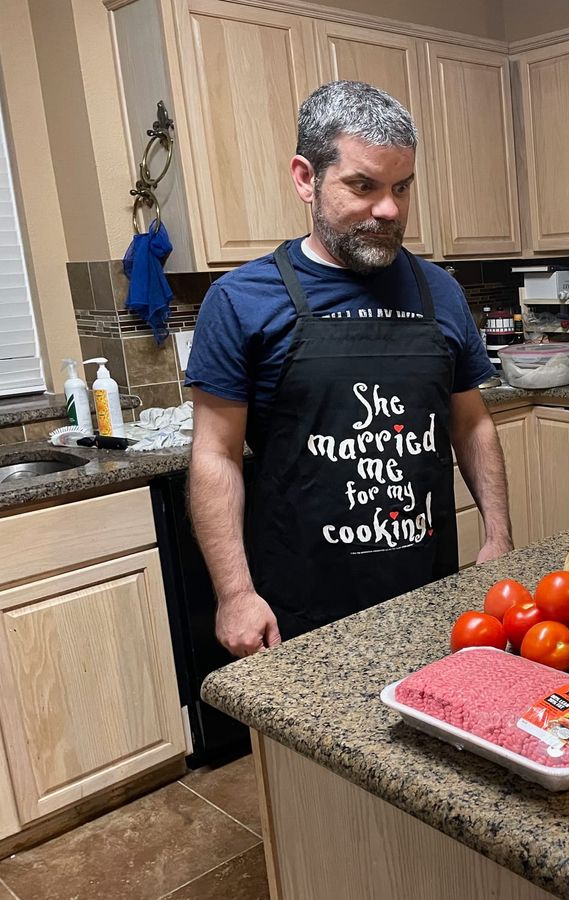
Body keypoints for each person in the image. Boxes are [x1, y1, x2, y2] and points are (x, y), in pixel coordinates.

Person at [185, 81, 512, 658]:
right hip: (299, 609)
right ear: (305, 178)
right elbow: (215, 454)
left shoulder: (440, 292)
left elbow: (471, 424)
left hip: (431, 594)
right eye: (363, 186)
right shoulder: (242, 299)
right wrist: (234, 593)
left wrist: (497, 536)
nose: (389, 209)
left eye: (401, 187)